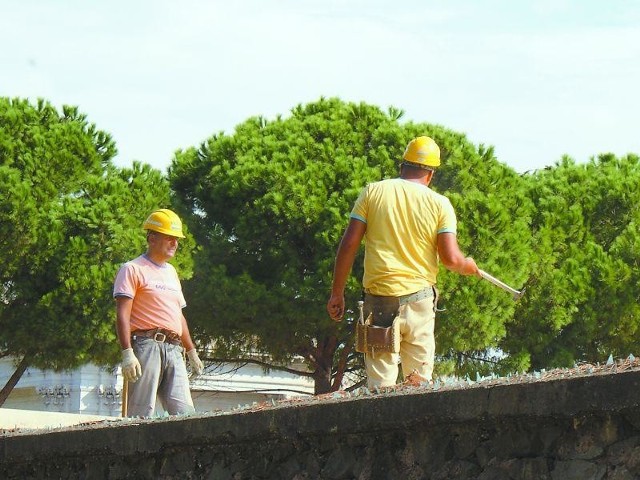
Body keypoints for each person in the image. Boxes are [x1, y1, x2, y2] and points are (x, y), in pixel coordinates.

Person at [327, 136, 481, 389]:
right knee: (419, 386)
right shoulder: (440, 204)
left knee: (379, 389)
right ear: (430, 174)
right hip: (419, 304)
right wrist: (468, 265)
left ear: (402, 166)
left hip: (379, 303)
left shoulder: (373, 191)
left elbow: (349, 245)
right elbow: (451, 260)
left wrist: (337, 293)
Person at [114, 208, 204, 417]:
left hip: (174, 349)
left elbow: (177, 316)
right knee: (140, 414)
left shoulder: (171, 272)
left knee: (185, 415)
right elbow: (122, 314)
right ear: (152, 238)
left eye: (176, 239)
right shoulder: (132, 269)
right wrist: (127, 352)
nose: (175, 243)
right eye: (170, 238)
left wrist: (191, 351)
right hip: (146, 345)